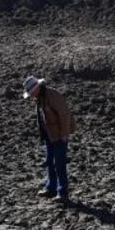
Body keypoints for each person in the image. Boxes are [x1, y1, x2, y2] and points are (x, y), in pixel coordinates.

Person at [23, 75, 75, 205]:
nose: (31, 95)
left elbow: (64, 115)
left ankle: (63, 193)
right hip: (49, 136)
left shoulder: (52, 95)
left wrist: (64, 134)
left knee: (59, 164)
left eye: (31, 92)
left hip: (58, 135)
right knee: (50, 163)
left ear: (37, 88)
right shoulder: (40, 98)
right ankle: (51, 188)